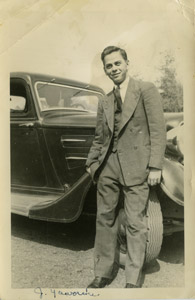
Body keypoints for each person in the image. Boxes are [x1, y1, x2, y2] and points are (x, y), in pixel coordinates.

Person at [85, 46, 166, 288]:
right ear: (104, 70)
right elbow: (100, 138)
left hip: (138, 167)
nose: (114, 69)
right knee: (104, 219)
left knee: (136, 223)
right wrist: (91, 164)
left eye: (117, 63)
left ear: (127, 63)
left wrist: (155, 166)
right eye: (108, 66)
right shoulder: (105, 100)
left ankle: (133, 279)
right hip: (108, 167)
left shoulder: (146, 90)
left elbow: (158, 130)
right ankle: (103, 272)